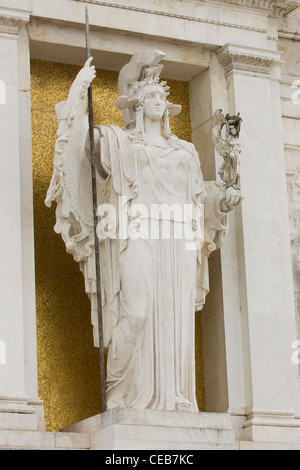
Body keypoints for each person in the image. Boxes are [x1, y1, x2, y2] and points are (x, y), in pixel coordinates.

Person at [46, 50, 241, 412]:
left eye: (162, 98)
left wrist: (221, 201)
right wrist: (77, 96)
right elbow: (82, 148)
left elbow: (199, 195)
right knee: (135, 310)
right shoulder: (120, 142)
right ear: (136, 105)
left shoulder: (185, 150)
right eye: (151, 96)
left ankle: (176, 396)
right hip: (137, 232)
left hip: (180, 236)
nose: (158, 102)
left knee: (177, 314)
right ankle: (119, 392)